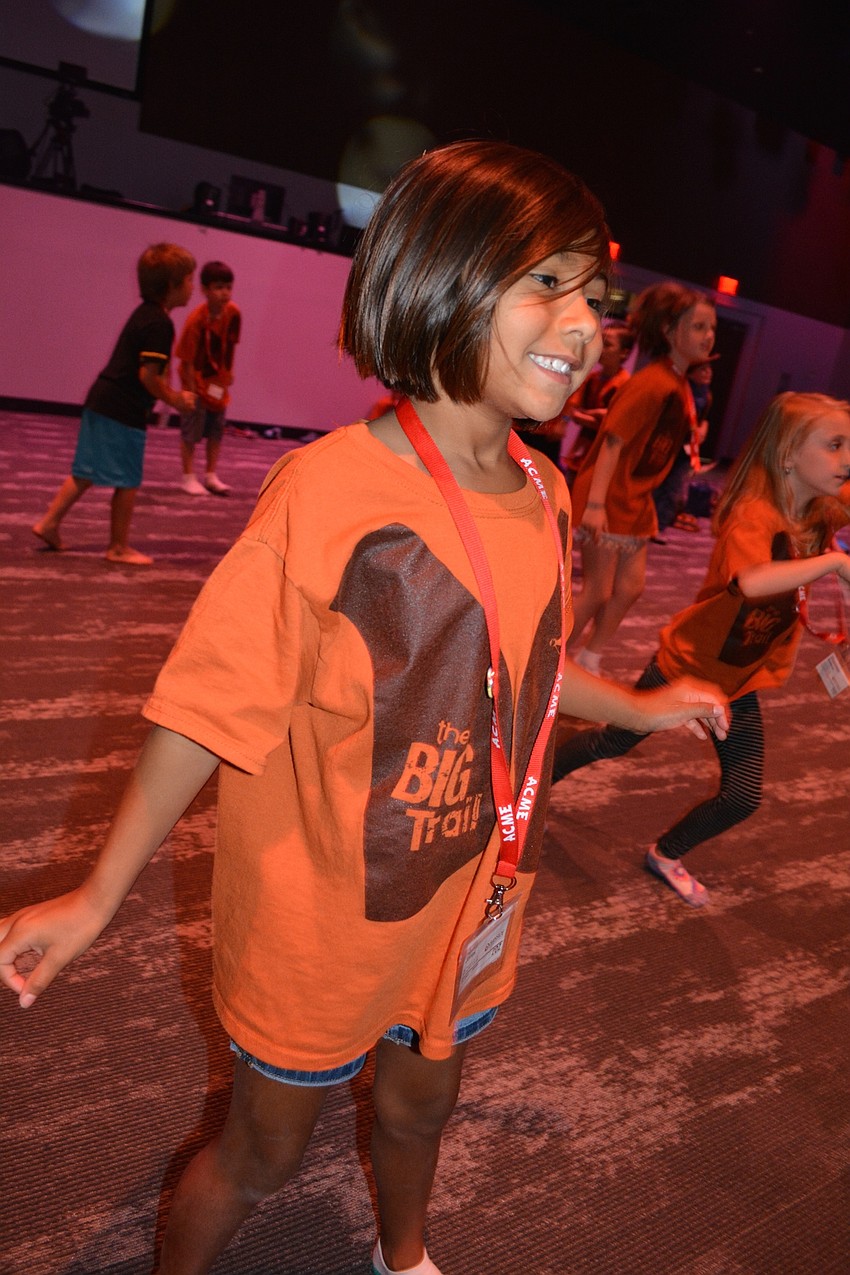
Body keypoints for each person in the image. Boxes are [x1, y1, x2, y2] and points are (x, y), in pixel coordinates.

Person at [0, 140, 728, 1275]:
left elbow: (518, 667)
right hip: (322, 926)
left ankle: (405, 1253)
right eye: (545, 282)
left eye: (592, 289)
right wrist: (98, 894)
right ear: (435, 277)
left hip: (467, 898)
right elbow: (207, 703)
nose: (584, 320)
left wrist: (638, 699)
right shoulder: (332, 492)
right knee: (262, 1156)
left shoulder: (541, 488)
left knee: (420, 1109)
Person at [553, 391, 850, 908]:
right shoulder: (753, 513)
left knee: (742, 797)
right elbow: (753, 581)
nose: (847, 458)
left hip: (739, 681)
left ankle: (666, 853)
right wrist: (834, 564)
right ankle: (533, 784)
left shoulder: (821, 509)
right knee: (614, 743)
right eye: (834, 444)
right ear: (786, 455)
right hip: (684, 667)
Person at [567, 281, 717, 675]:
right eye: (699, 327)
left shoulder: (676, 381)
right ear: (669, 331)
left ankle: (589, 658)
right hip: (610, 495)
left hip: (636, 499)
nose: (709, 336)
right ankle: (544, 663)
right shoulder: (651, 382)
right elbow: (613, 442)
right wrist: (595, 505)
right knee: (597, 590)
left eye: (712, 328)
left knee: (631, 588)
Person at [32, 243, 196, 565]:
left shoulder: (144, 314)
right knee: (128, 480)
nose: (193, 286)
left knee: (86, 470)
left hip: (101, 400)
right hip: (123, 409)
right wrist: (176, 399)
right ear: (172, 286)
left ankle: (48, 523)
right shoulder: (160, 324)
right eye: (189, 280)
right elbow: (148, 376)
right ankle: (118, 547)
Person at [176, 260, 242, 496]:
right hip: (195, 382)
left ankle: (211, 474)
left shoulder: (234, 313)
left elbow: (231, 346)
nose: (225, 293)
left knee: (216, 431)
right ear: (204, 289)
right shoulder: (196, 320)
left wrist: (227, 374)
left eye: (228, 287)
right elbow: (186, 360)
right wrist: (192, 392)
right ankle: (188, 476)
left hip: (218, 384)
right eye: (218, 287)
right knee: (191, 432)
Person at [652, 354, 718, 540]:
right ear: (691, 374)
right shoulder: (680, 389)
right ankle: (649, 523)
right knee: (658, 484)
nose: (708, 373)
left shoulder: (706, 395)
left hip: (686, 448)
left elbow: (703, 419)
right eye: (702, 370)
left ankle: (660, 525)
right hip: (669, 444)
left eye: (709, 369)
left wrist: (703, 427)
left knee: (673, 487)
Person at [562, 320, 634, 487]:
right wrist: (597, 416)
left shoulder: (626, 384)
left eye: (608, 345)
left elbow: (614, 425)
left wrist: (587, 416)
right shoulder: (592, 378)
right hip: (582, 452)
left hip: (607, 457)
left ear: (624, 353)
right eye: (600, 342)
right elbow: (573, 410)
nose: (601, 349)